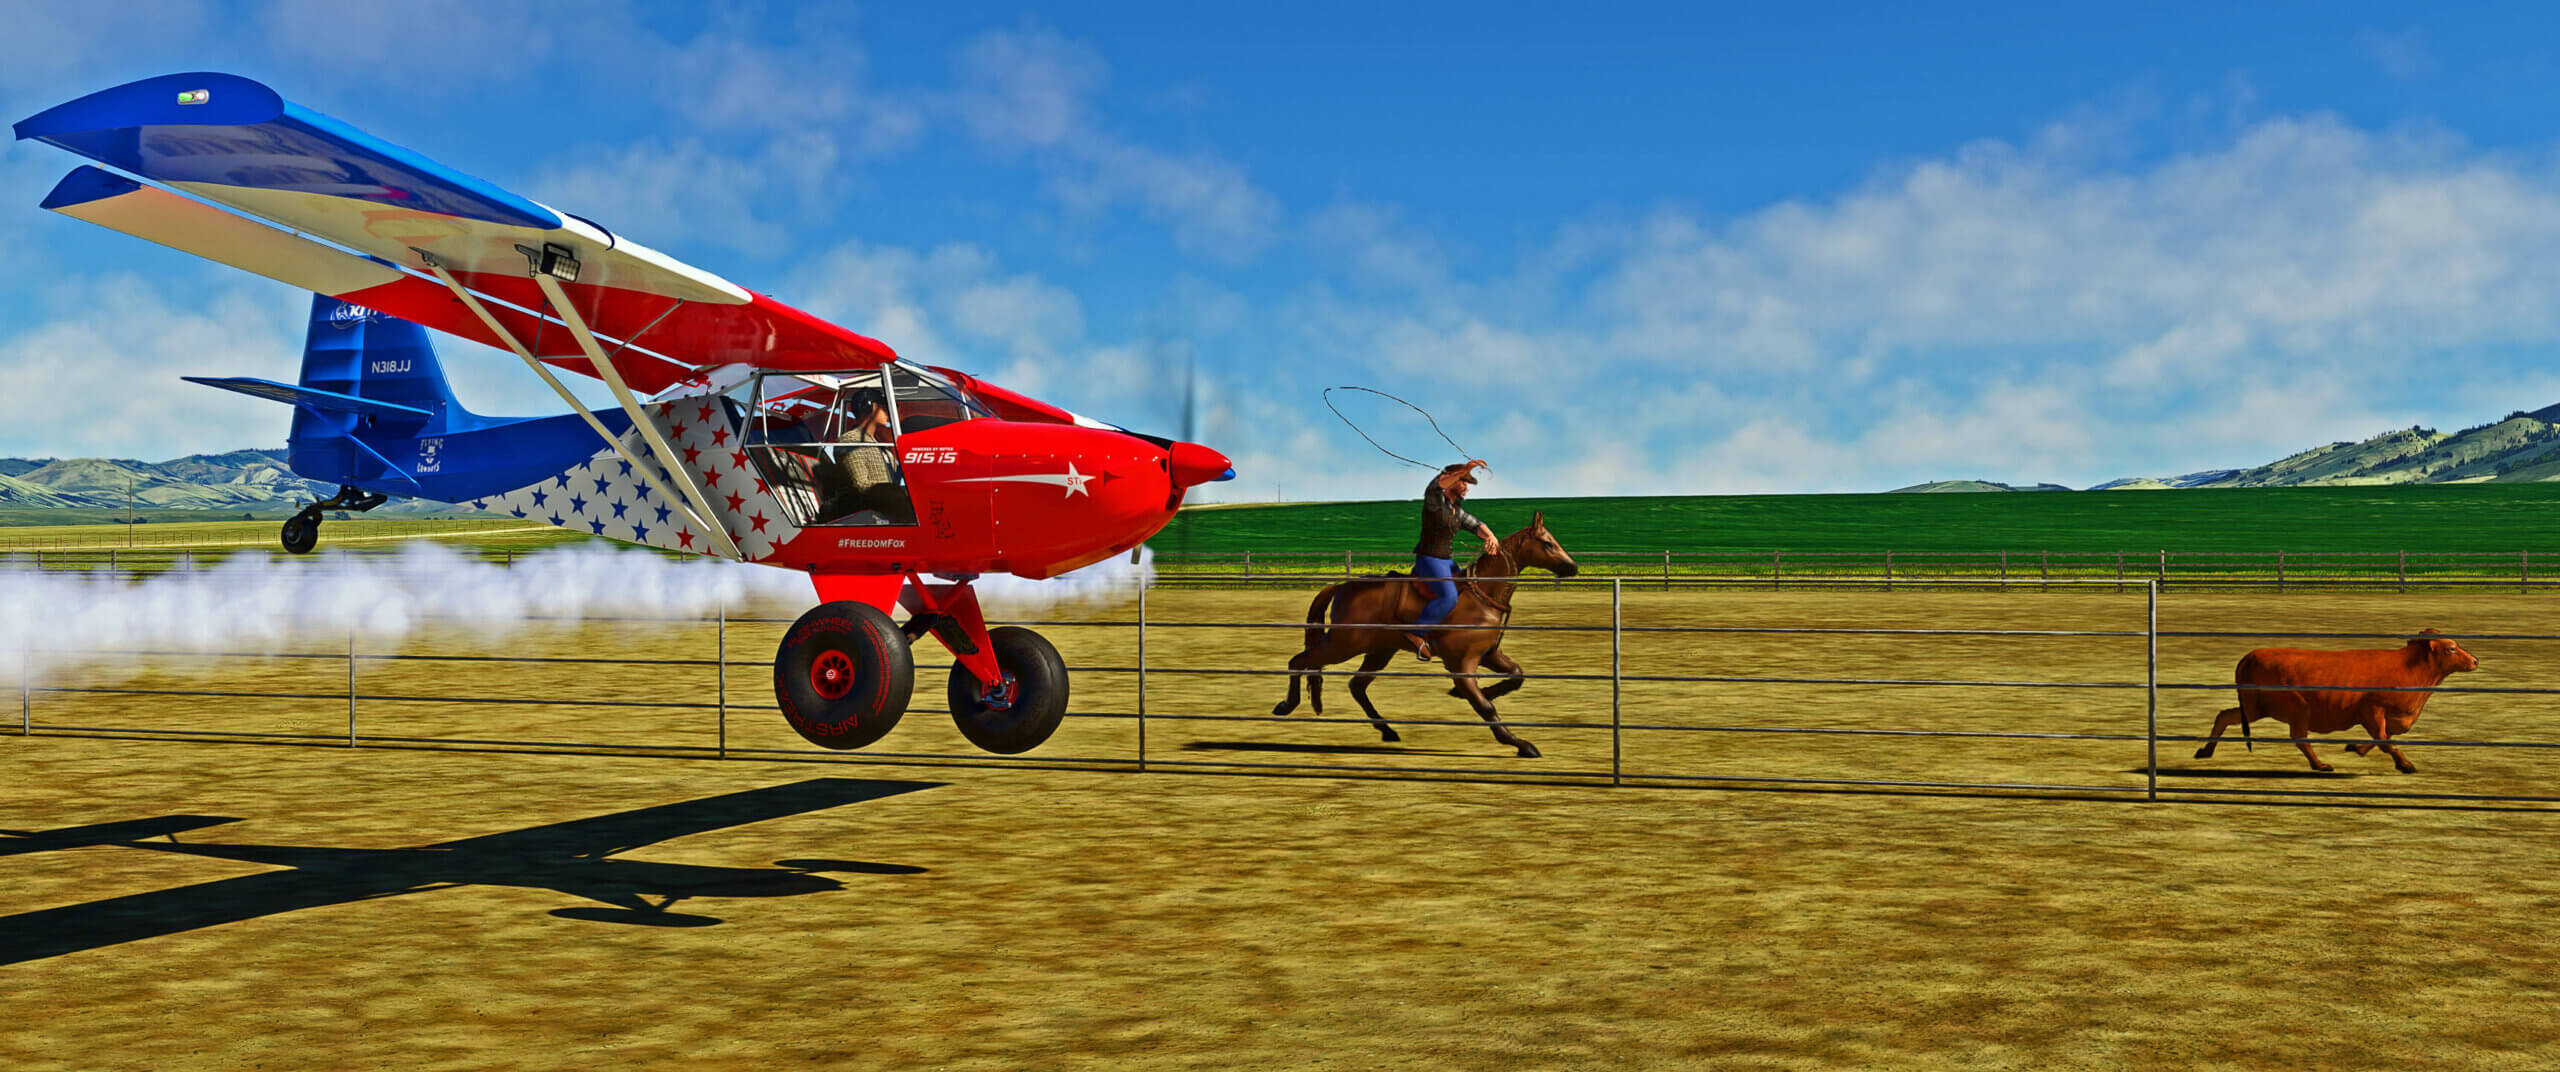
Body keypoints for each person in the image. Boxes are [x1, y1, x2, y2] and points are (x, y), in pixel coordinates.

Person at [1408, 459, 1497, 661]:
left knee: (1467, 588)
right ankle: (1416, 632)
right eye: (1463, 482)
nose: (1466, 487)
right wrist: (1463, 470)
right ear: (1452, 482)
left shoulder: (1456, 511)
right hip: (1430, 559)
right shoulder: (1434, 499)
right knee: (1449, 597)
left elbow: (1476, 525)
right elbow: (1438, 483)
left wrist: (1490, 536)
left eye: (1467, 482)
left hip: (1446, 560)